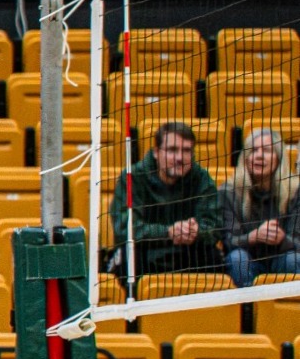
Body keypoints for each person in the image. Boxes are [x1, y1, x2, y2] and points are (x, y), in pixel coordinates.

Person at [107, 121, 222, 275]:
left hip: (187, 252)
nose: (180, 157)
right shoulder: (133, 177)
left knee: (214, 257)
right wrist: (168, 232)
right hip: (145, 253)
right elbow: (124, 229)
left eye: (186, 150)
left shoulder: (202, 178)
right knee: (128, 257)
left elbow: (215, 226)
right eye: (172, 150)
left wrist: (197, 232)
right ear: (156, 152)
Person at [220, 127, 300, 288]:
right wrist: (253, 237)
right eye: (254, 150)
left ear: (279, 158)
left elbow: (298, 242)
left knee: (294, 259)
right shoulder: (228, 191)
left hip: (282, 259)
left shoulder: (295, 191)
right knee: (237, 259)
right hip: (248, 260)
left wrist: (282, 239)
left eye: (267, 150)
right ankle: (247, 310)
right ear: (246, 158)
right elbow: (228, 242)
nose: (259, 156)